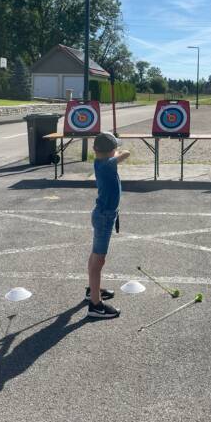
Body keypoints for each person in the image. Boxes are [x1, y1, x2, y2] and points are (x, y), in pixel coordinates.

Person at [86, 132, 130, 319]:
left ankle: (92, 290)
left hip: (103, 214)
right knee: (99, 260)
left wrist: (112, 148)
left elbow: (115, 153)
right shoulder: (107, 165)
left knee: (95, 256)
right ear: (110, 151)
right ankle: (95, 304)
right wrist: (117, 150)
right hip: (105, 217)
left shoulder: (101, 162)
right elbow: (126, 153)